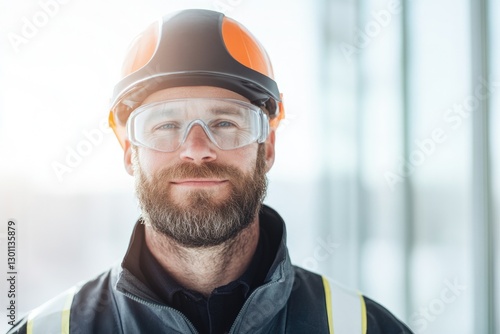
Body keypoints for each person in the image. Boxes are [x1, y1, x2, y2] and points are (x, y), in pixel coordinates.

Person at [8, 9, 413, 334]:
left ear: (267, 146)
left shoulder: (363, 327)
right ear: (130, 151)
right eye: (166, 125)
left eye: (225, 123)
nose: (196, 150)